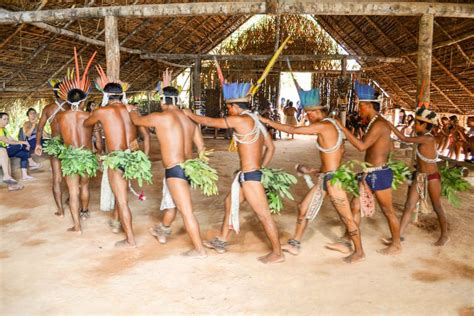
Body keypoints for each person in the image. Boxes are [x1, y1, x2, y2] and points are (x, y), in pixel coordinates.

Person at [259, 78, 365, 263]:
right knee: (303, 208)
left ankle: (359, 251)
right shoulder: (332, 124)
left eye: (308, 114)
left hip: (333, 180)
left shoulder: (324, 125)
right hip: (328, 176)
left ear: (317, 111)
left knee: (347, 217)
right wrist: (318, 170)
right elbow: (339, 151)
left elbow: (293, 129)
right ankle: (295, 243)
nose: (307, 117)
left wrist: (265, 120)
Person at [183, 83, 283, 264]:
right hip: (249, 175)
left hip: (251, 177)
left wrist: (190, 115)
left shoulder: (241, 120)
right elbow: (271, 148)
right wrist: (260, 167)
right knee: (230, 202)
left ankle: (277, 252)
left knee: (263, 215)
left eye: (229, 107)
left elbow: (212, 122)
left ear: (236, 107)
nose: (228, 111)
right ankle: (221, 240)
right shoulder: (257, 122)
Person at [128, 69, 207, 258]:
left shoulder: (160, 117)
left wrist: (131, 111)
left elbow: (137, 120)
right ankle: (162, 231)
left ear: (163, 101)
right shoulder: (189, 120)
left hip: (175, 170)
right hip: (189, 169)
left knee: (186, 212)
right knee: (172, 204)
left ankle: (199, 250)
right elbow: (202, 148)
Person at [84, 65, 152, 248]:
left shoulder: (102, 112)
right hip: (132, 157)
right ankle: (116, 221)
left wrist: (98, 115)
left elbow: (86, 123)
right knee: (121, 195)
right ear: (121, 95)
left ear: (106, 96)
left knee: (122, 201)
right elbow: (144, 133)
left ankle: (130, 239)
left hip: (116, 157)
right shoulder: (131, 110)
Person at [334, 81, 402, 255]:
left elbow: (362, 146)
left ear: (370, 105)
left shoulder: (379, 124)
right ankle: (348, 239)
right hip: (370, 173)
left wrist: (343, 128)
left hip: (379, 174)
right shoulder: (374, 123)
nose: (359, 109)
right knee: (355, 206)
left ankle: (396, 244)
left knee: (388, 211)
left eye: (361, 106)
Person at [385, 106, 449, 246]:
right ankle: (398, 235)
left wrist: (388, 124)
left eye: (417, 123)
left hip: (432, 177)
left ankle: (444, 235)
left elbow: (403, 138)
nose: (414, 125)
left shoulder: (427, 139)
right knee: (409, 205)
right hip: (419, 176)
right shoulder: (422, 138)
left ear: (425, 125)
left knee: (437, 206)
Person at [55, 50, 98, 233]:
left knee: (73, 191)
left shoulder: (61, 116)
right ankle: (85, 211)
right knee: (85, 186)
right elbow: (94, 133)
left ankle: (77, 227)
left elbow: (58, 136)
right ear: (83, 100)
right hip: (86, 155)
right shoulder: (88, 115)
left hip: (70, 156)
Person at [35, 80, 70, 217]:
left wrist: (38, 144)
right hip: (69, 144)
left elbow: (39, 129)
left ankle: (60, 211)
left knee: (57, 178)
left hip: (55, 144)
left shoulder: (48, 108)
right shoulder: (71, 107)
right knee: (71, 176)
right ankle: (73, 201)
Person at [0, 112, 35, 181]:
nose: (6, 121)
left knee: (24, 154)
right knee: (21, 145)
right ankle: (31, 162)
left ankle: (25, 175)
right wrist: (23, 142)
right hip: (2, 152)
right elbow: (7, 141)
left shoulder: (4, 129)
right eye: (4, 119)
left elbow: (11, 139)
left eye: (7, 119)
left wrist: (24, 143)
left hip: (6, 150)